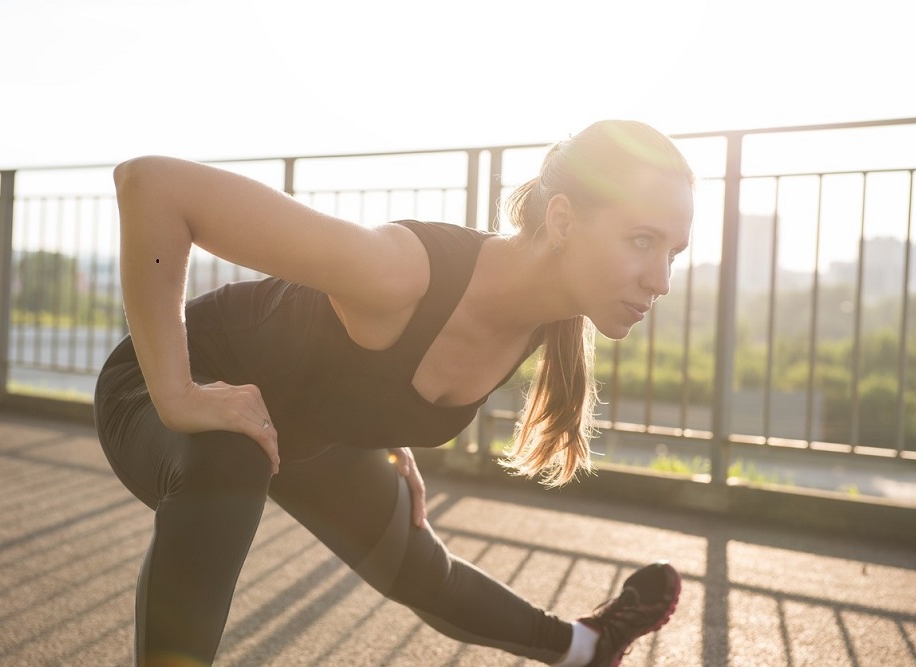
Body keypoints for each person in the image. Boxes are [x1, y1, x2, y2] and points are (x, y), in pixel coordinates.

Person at [94, 119, 695, 667]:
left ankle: (588, 648)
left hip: (298, 425)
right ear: (562, 222)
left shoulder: (543, 315)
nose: (662, 280)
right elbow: (151, 184)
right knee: (230, 453)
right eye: (642, 240)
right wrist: (179, 394)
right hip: (156, 388)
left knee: (418, 564)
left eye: (672, 252)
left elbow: (354, 364)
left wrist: (381, 427)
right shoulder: (401, 271)